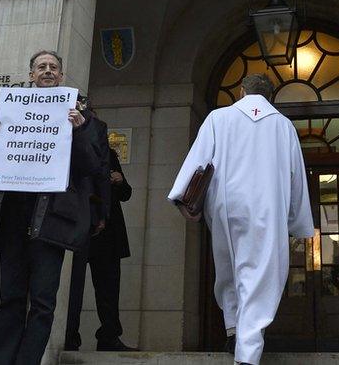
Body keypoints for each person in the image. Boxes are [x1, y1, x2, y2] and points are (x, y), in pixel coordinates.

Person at [169, 73, 313, 365]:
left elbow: (199, 159)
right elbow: (296, 176)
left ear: (241, 91)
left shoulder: (218, 118)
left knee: (229, 268)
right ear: (271, 96)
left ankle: (234, 329)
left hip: (226, 205)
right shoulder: (283, 126)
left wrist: (182, 199)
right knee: (259, 275)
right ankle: (247, 356)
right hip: (267, 207)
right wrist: (298, 221)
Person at [0, 50, 102, 365]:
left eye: (53, 67)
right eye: (41, 67)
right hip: (11, 220)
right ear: (31, 75)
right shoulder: (10, 112)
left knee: (43, 302)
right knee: (9, 297)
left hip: (50, 223)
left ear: (61, 77)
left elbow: (91, 166)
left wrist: (77, 133)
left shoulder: (80, 118)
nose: (47, 71)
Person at [64, 97, 135, 352]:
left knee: (108, 288)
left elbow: (126, 193)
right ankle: (69, 336)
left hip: (108, 229)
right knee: (73, 286)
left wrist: (119, 181)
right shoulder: (69, 147)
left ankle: (109, 336)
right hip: (79, 223)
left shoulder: (109, 151)